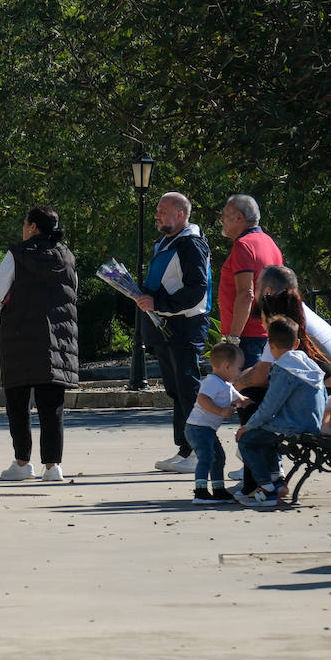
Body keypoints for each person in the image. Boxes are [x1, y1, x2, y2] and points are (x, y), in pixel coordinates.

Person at [0, 206, 80, 482]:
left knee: (18, 404)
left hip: (19, 338)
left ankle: (22, 462)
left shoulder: (18, 255)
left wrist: (0, 312)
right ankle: (53, 466)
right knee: (52, 407)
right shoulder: (67, 257)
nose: (23, 228)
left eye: (25, 223)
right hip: (59, 341)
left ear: (34, 227)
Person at [134, 192, 212, 474]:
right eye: (157, 210)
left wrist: (160, 304)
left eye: (162, 210)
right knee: (176, 390)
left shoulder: (191, 244)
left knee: (188, 388)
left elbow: (196, 290)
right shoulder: (167, 242)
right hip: (165, 327)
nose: (156, 214)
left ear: (180, 214)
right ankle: (185, 449)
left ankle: (198, 451)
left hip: (184, 326)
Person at [234, 317, 326, 508]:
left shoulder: (283, 368)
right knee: (265, 436)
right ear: (297, 343)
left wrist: (248, 426)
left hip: (293, 426)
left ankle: (267, 488)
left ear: (270, 344)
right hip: (312, 424)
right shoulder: (310, 364)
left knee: (246, 440)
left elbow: (270, 406)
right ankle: (276, 483)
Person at [218, 194, 283, 367]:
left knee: (245, 391)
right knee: (259, 390)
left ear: (239, 217)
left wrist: (232, 340)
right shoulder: (270, 243)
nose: (222, 219)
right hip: (266, 333)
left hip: (247, 337)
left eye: (225, 214)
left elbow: (246, 294)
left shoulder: (243, 245)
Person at [184, 341, 245, 506]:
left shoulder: (226, 385)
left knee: (218, 458)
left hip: (208, 429)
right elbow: (202, 399)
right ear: (226, 366)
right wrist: (221, 411)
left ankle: (218, 490)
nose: (239, 373)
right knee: (207, 457)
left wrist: (247, 403)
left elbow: (239, 399)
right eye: (239, 368)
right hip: (197, 428)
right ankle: (200, 491)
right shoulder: (212, 381)